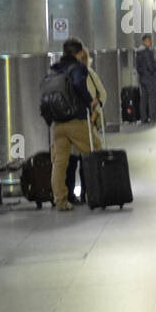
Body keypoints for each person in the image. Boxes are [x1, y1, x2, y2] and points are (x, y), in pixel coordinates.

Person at [44, 38, 99, 213]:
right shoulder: (78, 67)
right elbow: (77, 84)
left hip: (57, 122)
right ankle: (99, 192)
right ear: (80, 53)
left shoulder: (54, 69)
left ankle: (60, 200)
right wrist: (90, 101)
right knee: (95, 151)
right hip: (75, 120)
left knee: (59, 163)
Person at [63, 49, 106, 205]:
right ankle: (73, 194)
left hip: (86, 123)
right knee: (73, 161)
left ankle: (86, 192)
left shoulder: (90, 74)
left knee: (84, 159)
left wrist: (95, 113)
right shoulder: (67, 75)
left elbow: (102, 94)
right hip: (74, 122)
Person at [135, 35, 156, 123]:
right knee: (152, 98)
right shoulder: (147, 52)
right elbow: (150, 65)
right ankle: (153, 117)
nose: (151, 43)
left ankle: (144, 118)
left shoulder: (138, 52)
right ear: (145, 41)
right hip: (149, 78)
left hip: (142, 78)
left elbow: (138, 67)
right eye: (150, 41)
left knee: (144, 99)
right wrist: (154, 73)